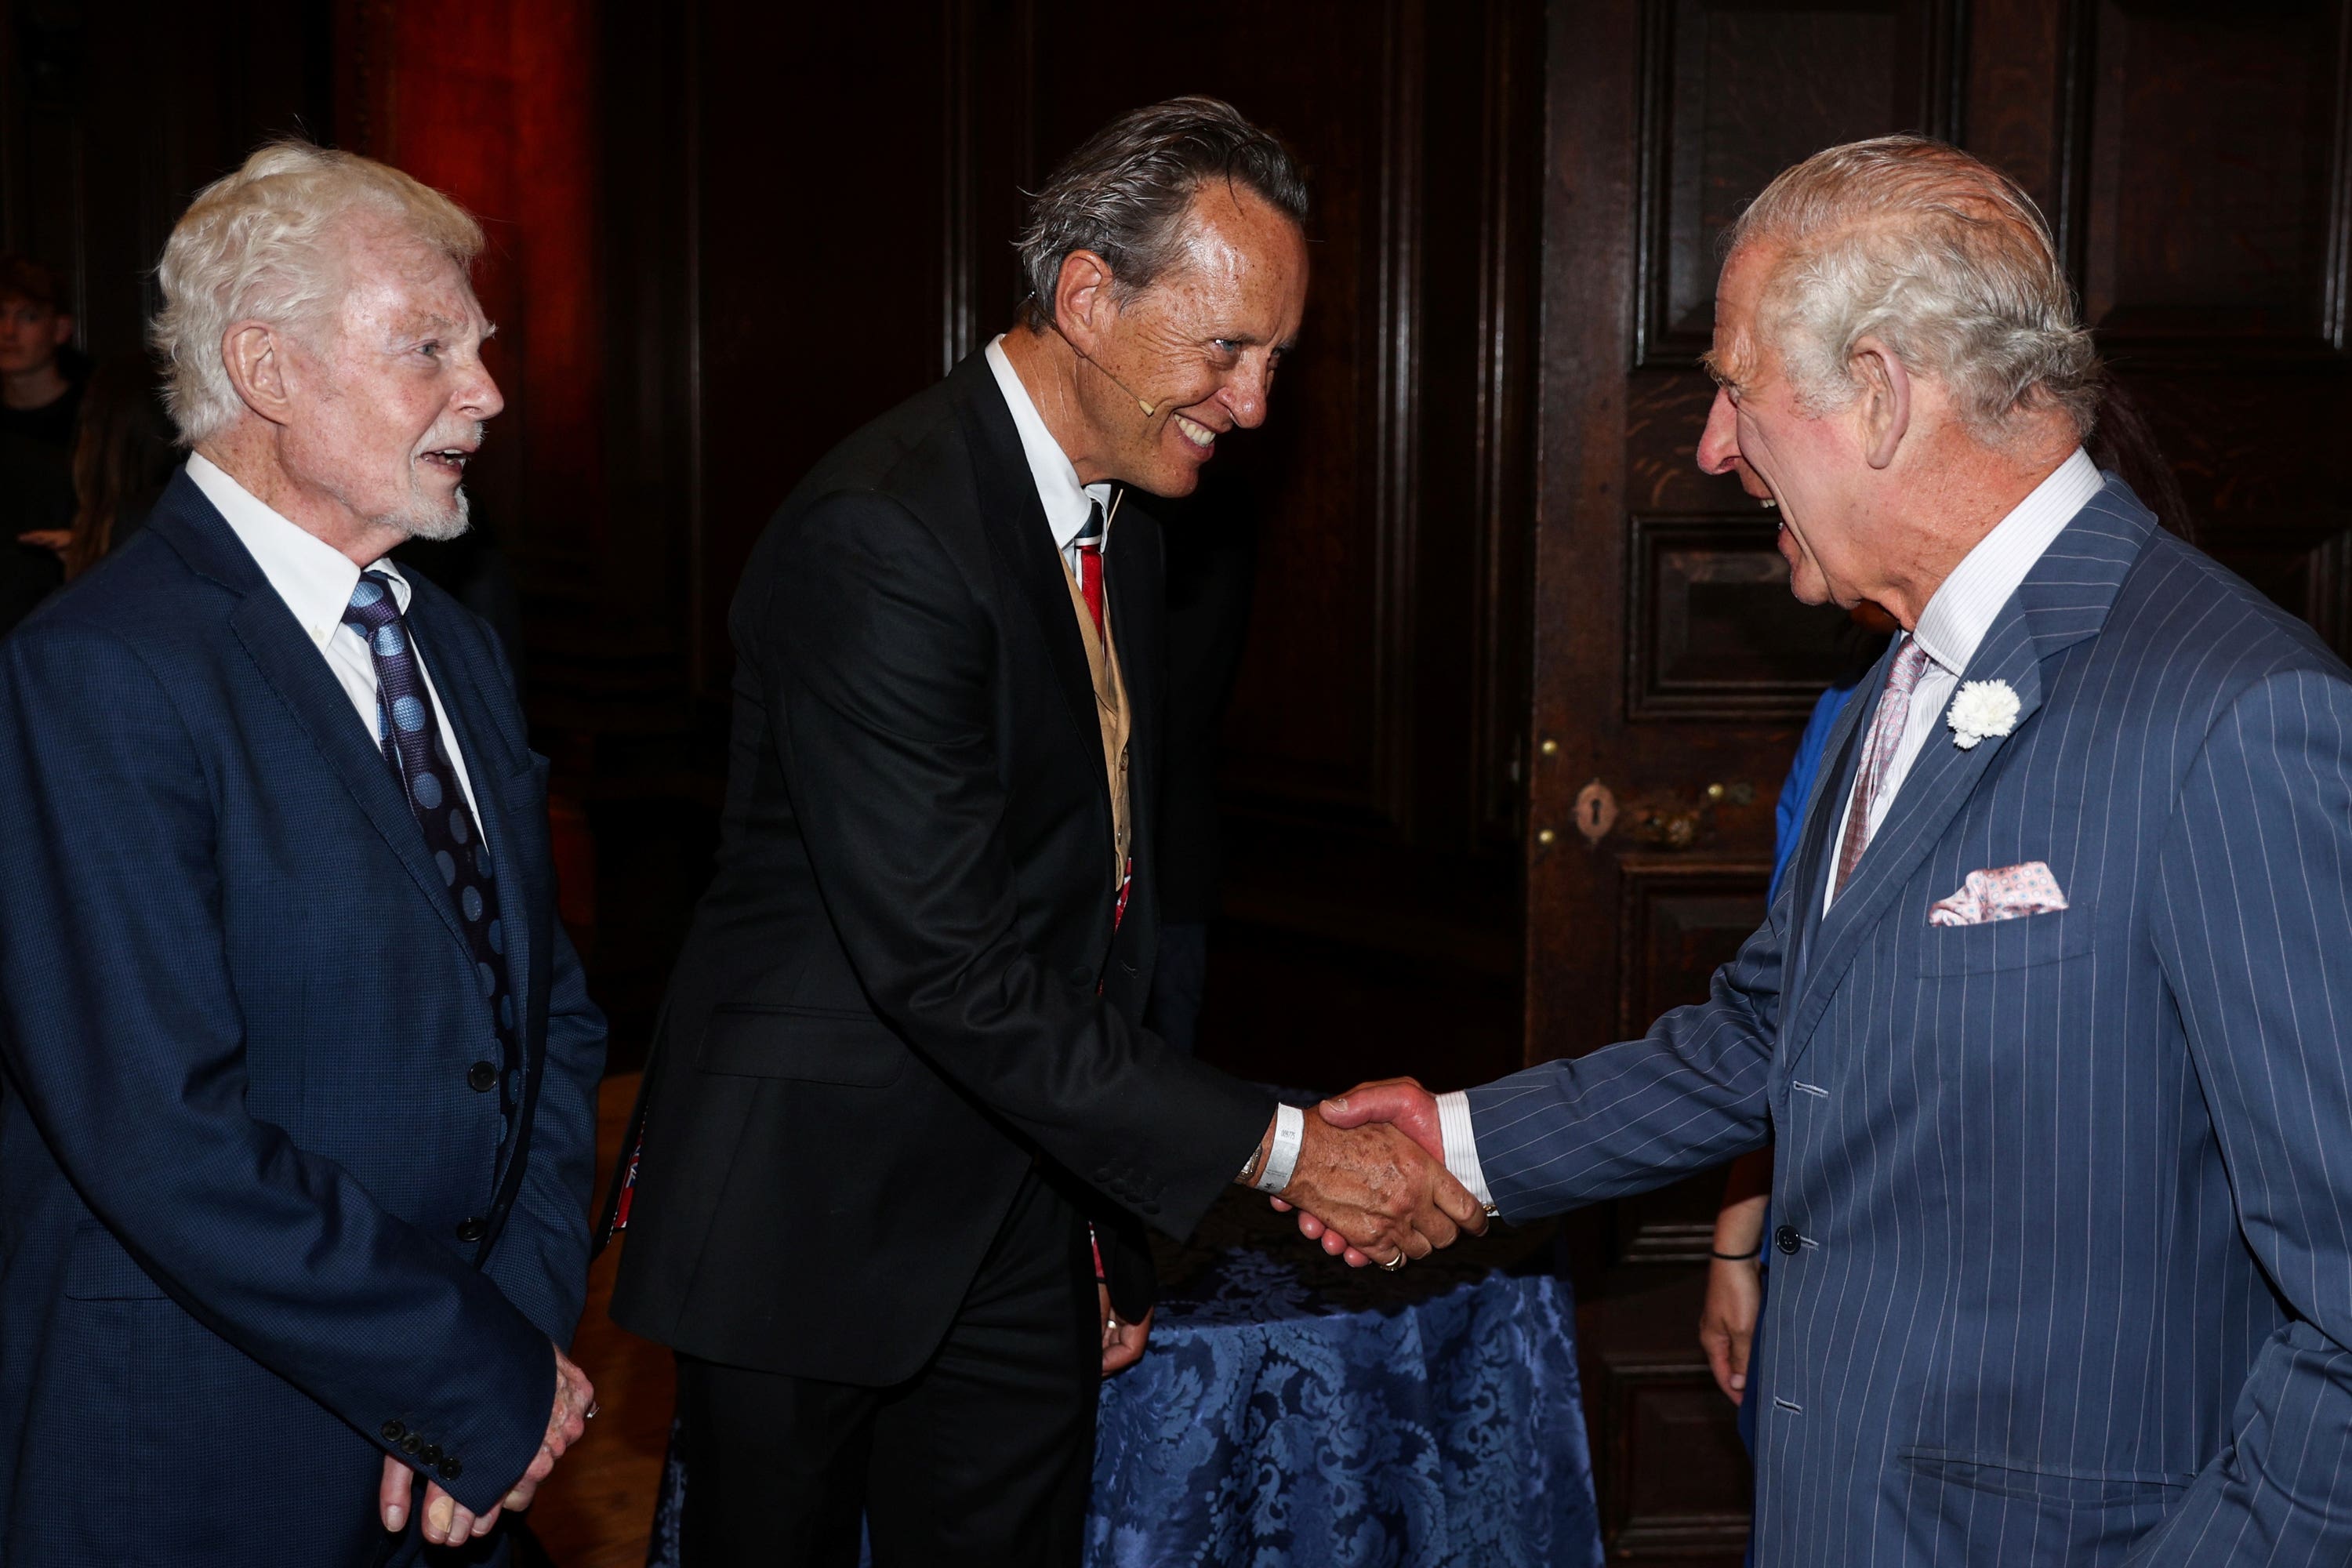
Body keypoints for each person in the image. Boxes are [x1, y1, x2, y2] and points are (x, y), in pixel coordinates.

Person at [1308, 136, 2352, 1565]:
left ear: (1877, 391)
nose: (1713, 446)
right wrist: (1466, 1145)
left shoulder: (2237, 714)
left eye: (1736, 386)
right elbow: (1769, 1033)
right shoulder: (1895, 684)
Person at [606, 96, 1483, 1566]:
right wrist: (1279, 1152)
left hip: (1016, 1204)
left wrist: (1098, 1222)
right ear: (1088, 297)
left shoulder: (1119, 507)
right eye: (1226, 351)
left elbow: (1095, 911)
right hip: (811, 1214)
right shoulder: (883, 534)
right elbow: (946, 964)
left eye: (1276, 358)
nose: (1255, 403)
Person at [0, 141, 604, 1563]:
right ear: (269, 371)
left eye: (481, 346)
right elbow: (161, 1132)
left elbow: (548, 1024)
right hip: (210, 1454)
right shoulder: (96, 675)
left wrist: (511, 1342)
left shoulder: (449, 640)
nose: (488, 391)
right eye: (429, 348)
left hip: (468, 1447)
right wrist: (458, 1369)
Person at [0, 255, 81, 636]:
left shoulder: (97, 418)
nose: (8, 331)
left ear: (60, 328)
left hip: (67, 609)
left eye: (27, 316)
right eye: (0, 314)